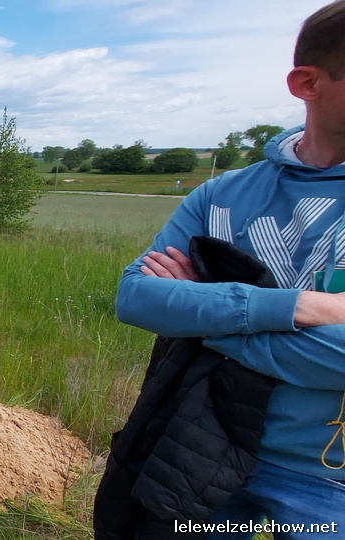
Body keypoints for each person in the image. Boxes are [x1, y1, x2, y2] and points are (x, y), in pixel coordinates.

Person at [112, 2, 345, 537]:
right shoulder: (222, 195)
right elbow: (136, 297)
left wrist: (203, 321)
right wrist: (301, 307)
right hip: (199, 443)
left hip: (327, 478)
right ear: (308, 83)